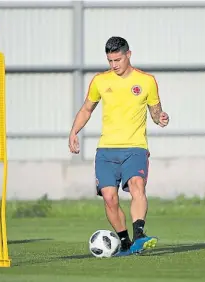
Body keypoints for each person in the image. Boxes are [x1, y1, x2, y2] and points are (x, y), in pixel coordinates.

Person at [68, 36, 169, 256]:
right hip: (106, 150)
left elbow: (155, 111)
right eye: (110, 60)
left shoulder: (147, 81)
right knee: (109, 198)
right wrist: (74, 131)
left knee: (136, 186)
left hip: (135, 147)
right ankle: (125, 242)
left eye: (118, 59)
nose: (114, 65)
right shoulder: (100, 81)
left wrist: (160, 117)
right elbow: (87, 109)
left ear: (128, 55)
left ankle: (139, 234)